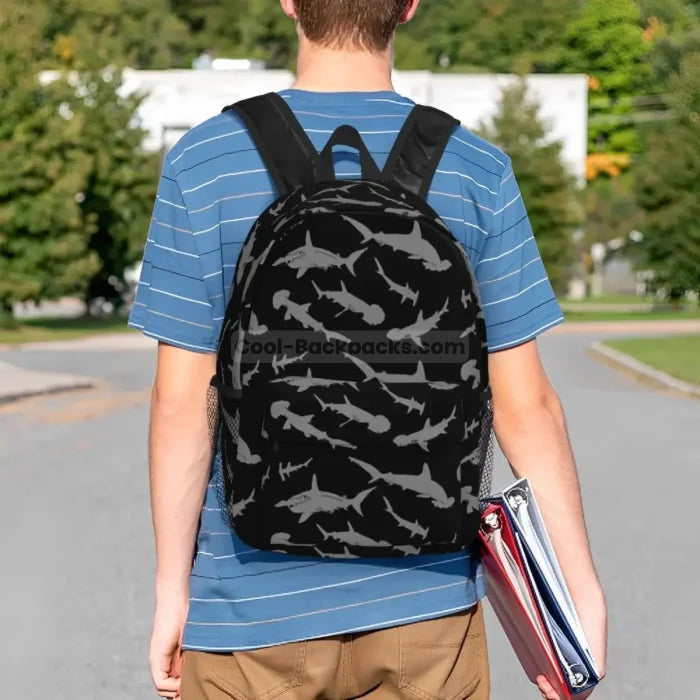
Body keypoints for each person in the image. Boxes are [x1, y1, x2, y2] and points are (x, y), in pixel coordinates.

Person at [128, 1, 608, 698]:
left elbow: (180, 402)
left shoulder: (205, 163)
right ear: (409, 5)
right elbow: (526, 403)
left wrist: (174, 590)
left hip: (249, 612)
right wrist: (576, 590)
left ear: (290, 1)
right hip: (428, 610)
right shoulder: (476, 168)